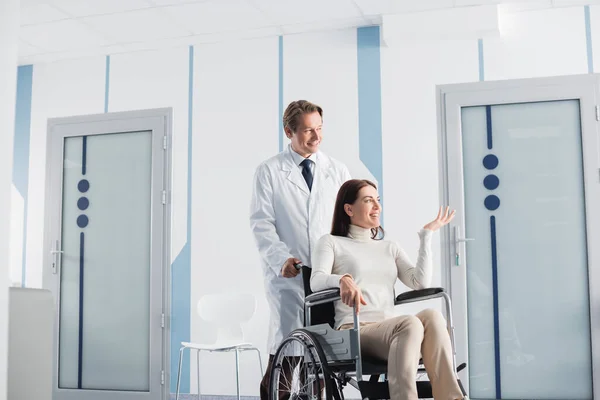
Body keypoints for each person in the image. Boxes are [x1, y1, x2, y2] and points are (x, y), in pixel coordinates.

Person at [310, 179, 467, 400]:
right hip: (355, 329)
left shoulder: (389, 247)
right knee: (409, 323)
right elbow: (316, 280)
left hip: (392, 330)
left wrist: (426, 236)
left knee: (432, 316)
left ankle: (453, 398)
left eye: (378, 200)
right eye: (368, 200)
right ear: (349, 209)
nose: (377, 206)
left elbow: (419, 282)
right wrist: (342, 279)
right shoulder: (331, 242)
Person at [250, 100, 351, 399]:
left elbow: (347, 219)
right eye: (308, 131)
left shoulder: (337, 170)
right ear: (288, 131)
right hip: (290, 274)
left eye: (319, 128)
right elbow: (261, 223)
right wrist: (281, 258)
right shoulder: (269, 171)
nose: (316, 137)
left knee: (323, 357)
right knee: (287, 354)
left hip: (326, 275)